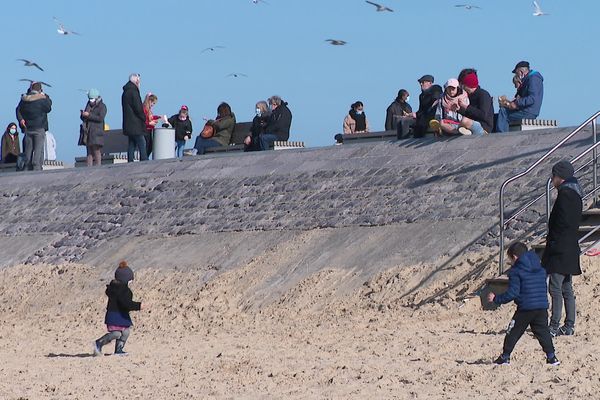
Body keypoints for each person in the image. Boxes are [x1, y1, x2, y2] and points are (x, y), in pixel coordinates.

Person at [488, 242, 559, 366]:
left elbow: (512, 293)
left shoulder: (516, 271)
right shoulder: (540, 269)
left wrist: (496, 299)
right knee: (543, 333)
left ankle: (505, 357)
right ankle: (552, 357)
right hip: (541, 306)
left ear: (515, 257)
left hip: (526, 308)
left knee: (513, 332)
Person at [542, 160, 583, 337]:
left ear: (560, 176)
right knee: (567, 287)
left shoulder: (565, 194)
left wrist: (553, 244)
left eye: (554, 176)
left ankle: (554, 325)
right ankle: (569, 325)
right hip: (570, 246)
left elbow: (561, 223)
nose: (552, 179)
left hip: (561, 248)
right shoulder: (576, 193)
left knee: (556, 288)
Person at [93, 261, 144, 356]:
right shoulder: (123, 291)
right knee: (117, 333)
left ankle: (118, 350)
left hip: (119, 315)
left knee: (126, 332)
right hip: (115, 315)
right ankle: (99, 343)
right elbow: (126, 304)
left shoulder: (114, 289)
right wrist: (139, 306)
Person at [496, 61, 544, 132]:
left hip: (529, 112)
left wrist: (516, 104)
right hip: (527, 110)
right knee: (497, 116)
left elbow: (532, 98)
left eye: (516, 73)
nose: (516, 75)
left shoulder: (533, 79)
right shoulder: (529, 79)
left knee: (503, 112)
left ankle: (502, 137)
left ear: (521, 72)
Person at [16, 82, 52, 171]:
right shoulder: (41, 99)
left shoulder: (25, 99)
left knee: (28, 151)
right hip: (39, 127)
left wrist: (21, 119)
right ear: (40, 90)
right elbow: (48, 108)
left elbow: (19, 110)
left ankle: (27, 169)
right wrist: (45, 96)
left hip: (28, 128)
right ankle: (37, 169)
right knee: (38, 150)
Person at [121, 73, 148, 162]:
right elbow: (138, 108)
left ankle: (130, 160)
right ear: (136, 81)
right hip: (136, 123)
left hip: (128, 123)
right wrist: (144, 117)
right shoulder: (134, 92)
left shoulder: (125, 92)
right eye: (139, 80)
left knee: (132, 143)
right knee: (142, 142)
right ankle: (144, 159)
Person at [80, 88, 108, 166]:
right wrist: (83, 115)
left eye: (92, 99)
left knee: (96, 151)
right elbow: (85, 118)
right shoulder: (88, 105)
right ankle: (89, 169)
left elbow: (100, 118)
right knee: (89, 152)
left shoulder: (102, 106)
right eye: (89, 99)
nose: (90, 100)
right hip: (88, 132)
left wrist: (89, 115)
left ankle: (98, 167)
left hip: (96, 132)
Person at [143, 93, 161, 158]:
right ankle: (144, 158)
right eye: (153, 103)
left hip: (150, 130)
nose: (153, 105)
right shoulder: (144, 109)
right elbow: (143, 120)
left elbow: (151, 117)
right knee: (147, 147)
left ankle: (145, 158)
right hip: (146, 130)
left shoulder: (149, 110)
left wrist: (158, 117)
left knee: (150, 147)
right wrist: (150, 123)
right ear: (149, 101)